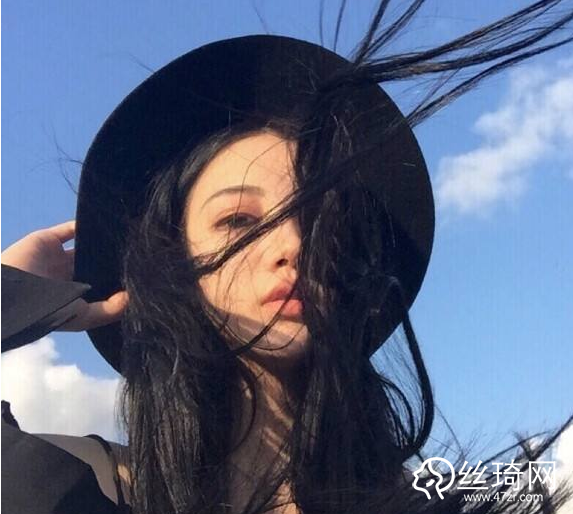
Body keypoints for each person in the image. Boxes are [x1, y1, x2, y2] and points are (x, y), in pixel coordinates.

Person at [3, 2, 572, 514]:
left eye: (321, 224)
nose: (294, 245)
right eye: (238, 221)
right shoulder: (83, 486)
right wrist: (10, 293)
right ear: (171, 264)